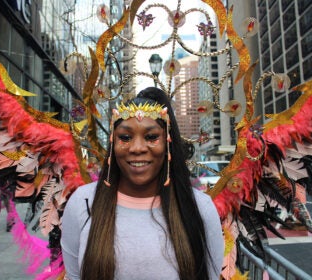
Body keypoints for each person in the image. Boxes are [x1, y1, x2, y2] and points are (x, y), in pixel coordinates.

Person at [61, 87, 224, 280]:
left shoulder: (200, 208)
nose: (137, 148)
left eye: (151, 137)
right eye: (125, 137)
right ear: (113, 143)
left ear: (167, 144)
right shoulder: (83, 202)